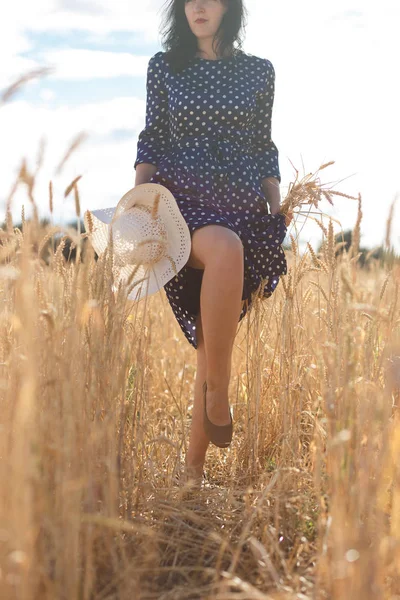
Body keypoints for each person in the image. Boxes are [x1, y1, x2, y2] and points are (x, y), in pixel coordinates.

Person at [134, 0, 292, 483]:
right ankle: (220, 394)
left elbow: (263, 145)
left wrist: (277, 206)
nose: (197, 6)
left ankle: (192, 476)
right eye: (188, 0)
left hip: (243, 204)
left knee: (210, 344)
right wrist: (138, 200)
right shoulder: (165, 66)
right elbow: (154, 137)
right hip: (186, 204)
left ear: (230, 7)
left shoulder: (259, 72)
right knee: (224, 248)